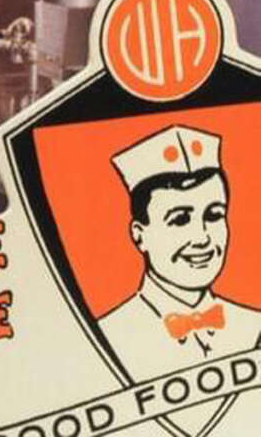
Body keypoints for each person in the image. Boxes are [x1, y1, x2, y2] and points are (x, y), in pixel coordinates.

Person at [100, 124, 261, 433]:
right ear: (139, 235)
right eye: (180, 220)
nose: (201, 238)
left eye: (214, 215)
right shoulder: (105, 336)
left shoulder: (254, 324)